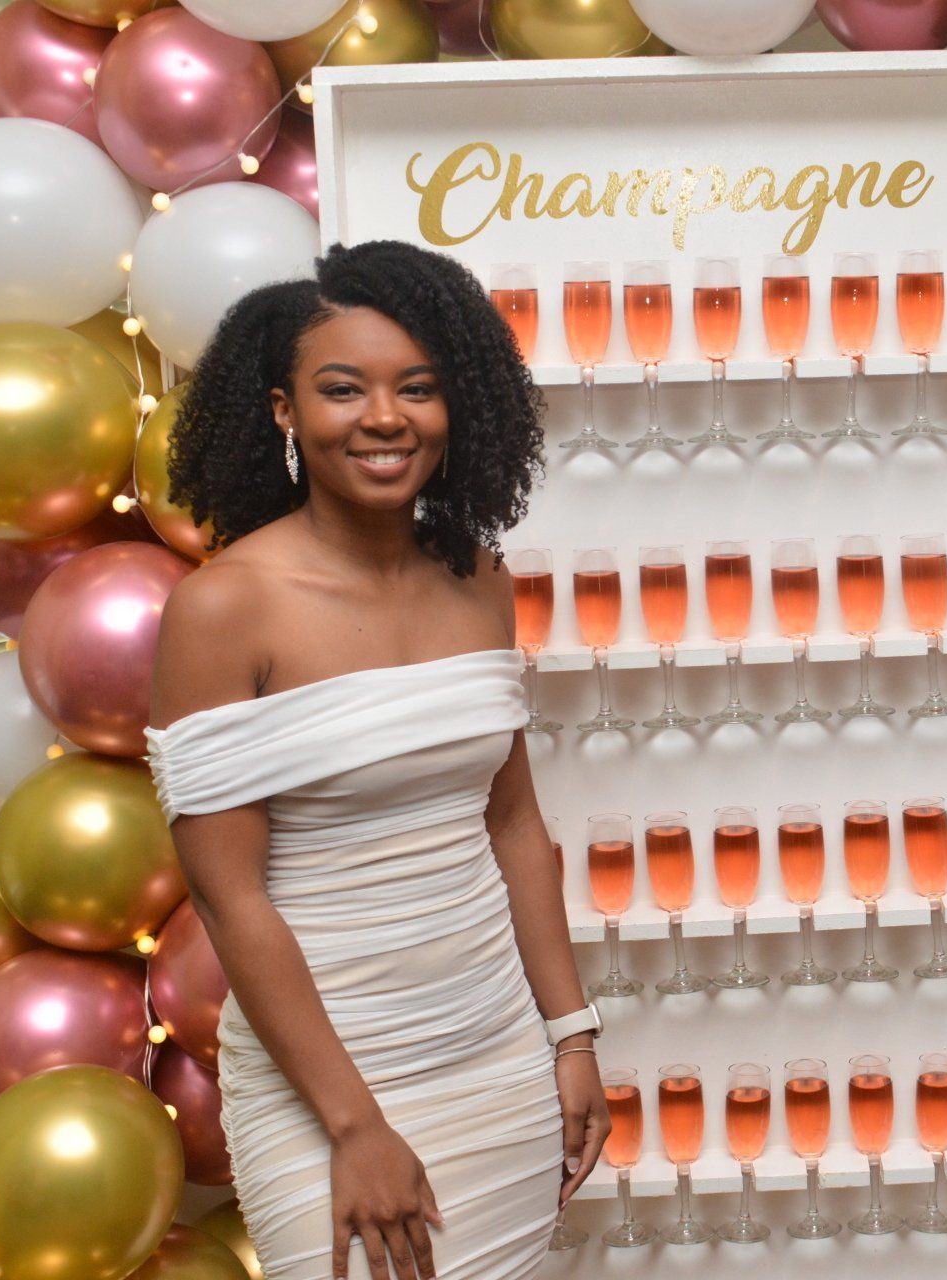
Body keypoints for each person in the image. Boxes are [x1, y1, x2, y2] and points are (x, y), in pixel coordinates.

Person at [142, 239, 608, 1280]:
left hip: (494, 1051)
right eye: (343, 388)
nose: (386, 417)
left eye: (419, 388)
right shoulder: (223, 608)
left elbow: (513, 824)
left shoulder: (480, 578)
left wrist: (570, 1035)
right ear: (284, 410)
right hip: (326, 1083)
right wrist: (355, 1126)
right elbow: (227, 896)